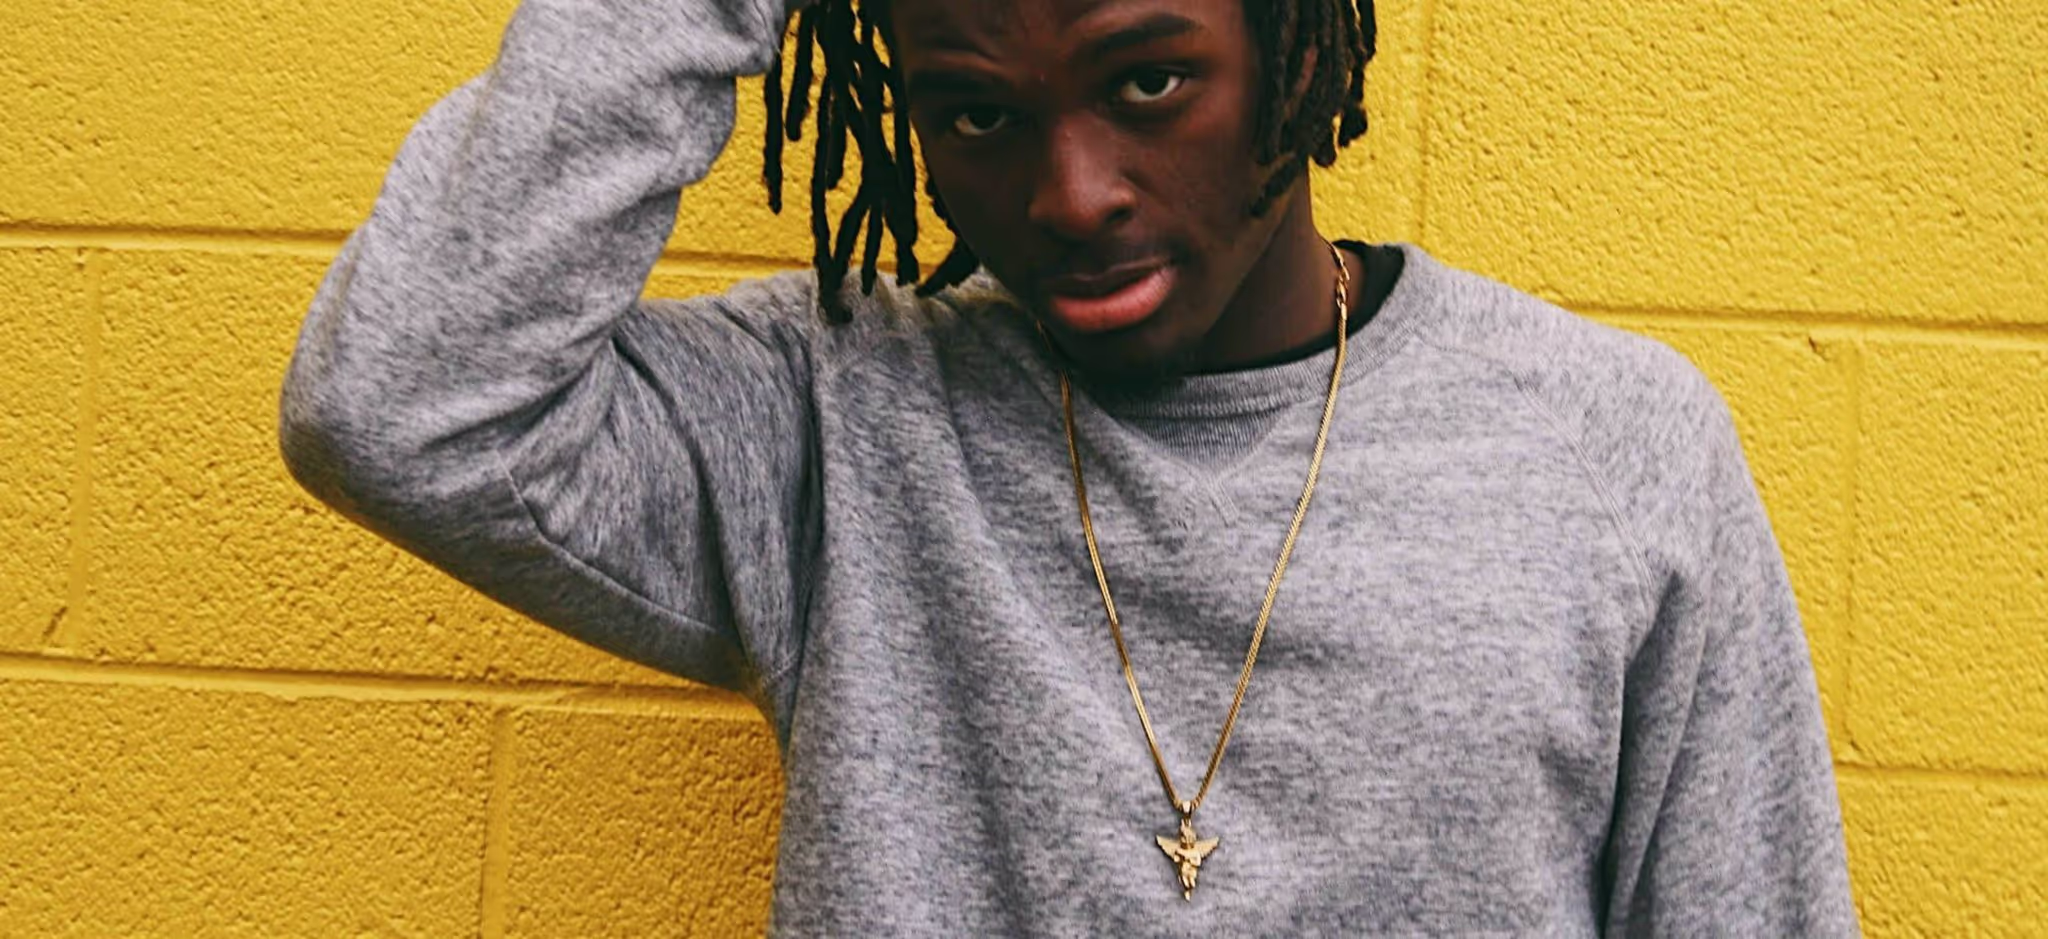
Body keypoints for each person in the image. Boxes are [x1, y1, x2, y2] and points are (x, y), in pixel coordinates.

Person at [278, 0, 1861, 933]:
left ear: (1300, 47)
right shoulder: (843, 414)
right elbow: (402, 401)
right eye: (976, 115)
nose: (1070, 192)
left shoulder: (1616, 449)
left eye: (1147, 81)